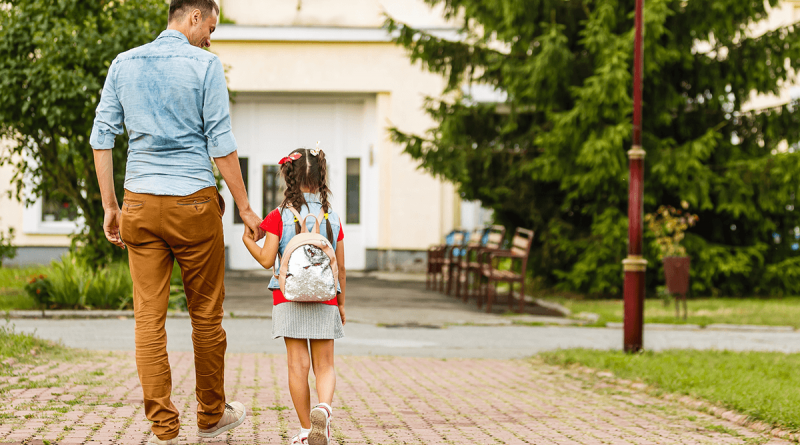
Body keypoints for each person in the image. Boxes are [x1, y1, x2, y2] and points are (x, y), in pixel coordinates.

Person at [89, 1, 264, 443]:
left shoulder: (123, 64)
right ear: (193, 16)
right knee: (205, 315)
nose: (211, 36)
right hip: (192, 205)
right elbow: (220, 142)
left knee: (148, 318)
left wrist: (111, 206)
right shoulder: (205, 66)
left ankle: (164, 427)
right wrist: (245, 208)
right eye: (210, 25)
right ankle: (210, 415)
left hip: (141, 204)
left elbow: (101, 136)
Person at [243, 148, 346, 445]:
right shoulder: (333, 217)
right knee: (325, 365)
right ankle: (323, 410)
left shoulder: (279, 215)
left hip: (288, 297)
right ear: (321, 177)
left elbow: (265, 259)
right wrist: (341, 303)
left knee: (297, 366)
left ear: (290, 176)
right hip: (325, 297)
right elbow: (340, 266)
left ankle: (305, 431)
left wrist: (245, 240)